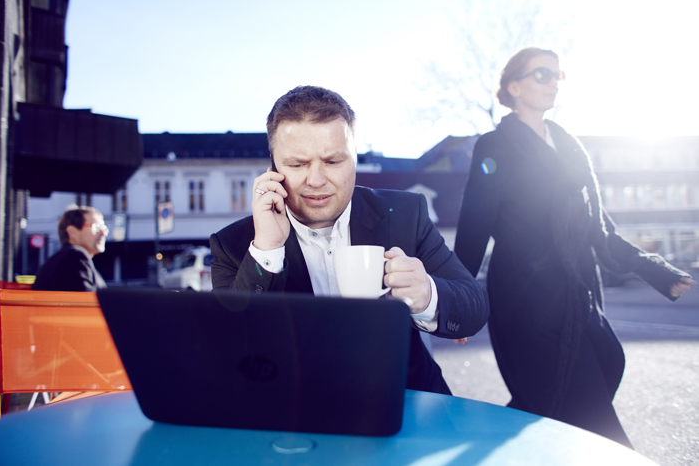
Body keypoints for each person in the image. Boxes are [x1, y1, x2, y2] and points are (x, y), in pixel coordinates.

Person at [454, 48, 696, 448]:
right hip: (526, 300)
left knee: (602, 368)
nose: (553, 82)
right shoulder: (494, 146)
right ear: (514, 87)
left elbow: (599, 231)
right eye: (542, 74)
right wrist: (457, 301)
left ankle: (504, 448)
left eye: (557, 74)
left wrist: (656, 270)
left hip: (579, 294)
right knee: (590, 413)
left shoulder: (571, 147)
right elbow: (474, 224)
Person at [210, 85, 489, 395]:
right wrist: (267, 249)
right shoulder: (235, 245)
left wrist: (427, 296)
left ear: (355, 159)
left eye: (332, 162)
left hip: (403, 404)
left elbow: (474, 307)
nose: (315, 181)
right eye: (297, 164)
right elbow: (230, 351)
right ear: (273, 168)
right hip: (291, 413)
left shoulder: (404, 215)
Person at [33, 205, 108, 292]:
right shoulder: (75, 257)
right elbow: (85, 301)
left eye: (104, 228)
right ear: (72, 232)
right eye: (96, 227)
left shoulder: (66, 257)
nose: (103, 233)